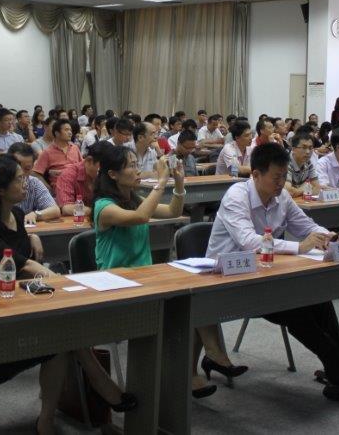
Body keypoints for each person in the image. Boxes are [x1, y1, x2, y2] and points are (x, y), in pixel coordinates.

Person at [207, 143, 339, 404]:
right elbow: (249, 241)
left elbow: (306, 225)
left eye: (284, 176)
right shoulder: (236, 196)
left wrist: (326, 236)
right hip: (229, 281)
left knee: (317, 299)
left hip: (269, 275)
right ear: (256, 174)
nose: (281, 183)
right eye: (276, 177)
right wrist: (301, 246)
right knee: (296, 309)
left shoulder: (281, 197)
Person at [0, 155, 134, 433]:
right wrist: (59, 279)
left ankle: (47, 419)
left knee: (61, 336)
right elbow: (21, 264)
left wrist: (32, 236)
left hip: (24, 303)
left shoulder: (17, 215)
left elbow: (22, 259)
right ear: (0, 188)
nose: (26, 182)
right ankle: (99, 383)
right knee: (62, 333)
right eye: (19, 179)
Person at [95, 146, 244, 397]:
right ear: (112, 174)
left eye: (136, 164)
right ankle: (202, 362)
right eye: (131, 166)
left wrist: (179, 183)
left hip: (145, 278)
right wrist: (161, 181)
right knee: (182, 312)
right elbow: (141, 217)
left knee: (194, 298)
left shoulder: (133, 199)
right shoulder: (103, 206)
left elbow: (172, 212)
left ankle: (197, 366)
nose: (137, 170)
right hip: (116, 283)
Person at [9, 143, 62, 224]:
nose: (21, 172)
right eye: (18, 167)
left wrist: (35, 214)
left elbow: (55, 210)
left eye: (27, 169)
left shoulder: (34, 183)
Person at [53, 141, 106, 215]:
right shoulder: (68, 175)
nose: (106, 172)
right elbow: (66, 208)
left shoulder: (109, 174)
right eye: (103, 167)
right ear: (89, 161)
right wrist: (98, 212)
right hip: (77, 221)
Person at [31, 119, 81, 187]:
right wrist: (48, 189)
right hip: (60, 186)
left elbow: (82, 166)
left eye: (70, 130)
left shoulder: (75, 148)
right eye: (66, 130)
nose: (70, 132)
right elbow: (35, 173)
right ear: (57, 133)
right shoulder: (47, 152)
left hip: (77, 184)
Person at [285, 133, 320, 198]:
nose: (308, 152)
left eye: (310, 148)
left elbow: (317, 188)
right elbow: (289, 192)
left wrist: (298, 190)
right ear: (293, 149)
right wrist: (306, 187)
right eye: (304, 148)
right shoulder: (285, 163)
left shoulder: (308, 163)